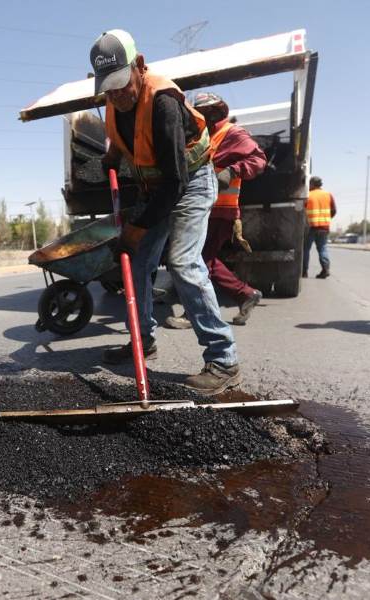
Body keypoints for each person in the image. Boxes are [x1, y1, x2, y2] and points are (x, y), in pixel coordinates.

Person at [91, 29, 241, 393]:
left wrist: (138, 227)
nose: (116, 95)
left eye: (121, 84)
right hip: (155, 188)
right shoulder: (115, 100)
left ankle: (224, 359)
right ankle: (142, 341)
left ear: (139, 65)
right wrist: (113, 154)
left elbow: (175, 182)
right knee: (138, 262)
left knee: (183, 262)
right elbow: (126, 135)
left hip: (190, 182)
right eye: (108, 89)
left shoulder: (163, 103)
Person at [164, 92, 267, 329]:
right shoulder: (202, 135)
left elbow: (258, 159)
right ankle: (245, 294)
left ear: (218, 110)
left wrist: (232, 171)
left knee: (196, 261)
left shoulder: (232, 132)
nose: (203, 116)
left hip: (220, 210)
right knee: (202, 260)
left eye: (208, 111)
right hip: (202, 208)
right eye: (199, 112)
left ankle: (195, 313)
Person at [302, 176, 336, 279]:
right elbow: (334, 210)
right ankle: (325, 269)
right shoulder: (328, 195)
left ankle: (304, 272)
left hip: (310, 227)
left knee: (305, 249)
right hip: (324, 227)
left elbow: (301, 211)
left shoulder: (308, 195)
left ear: (312, 184)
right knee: (322, 248)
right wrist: (326, 219)